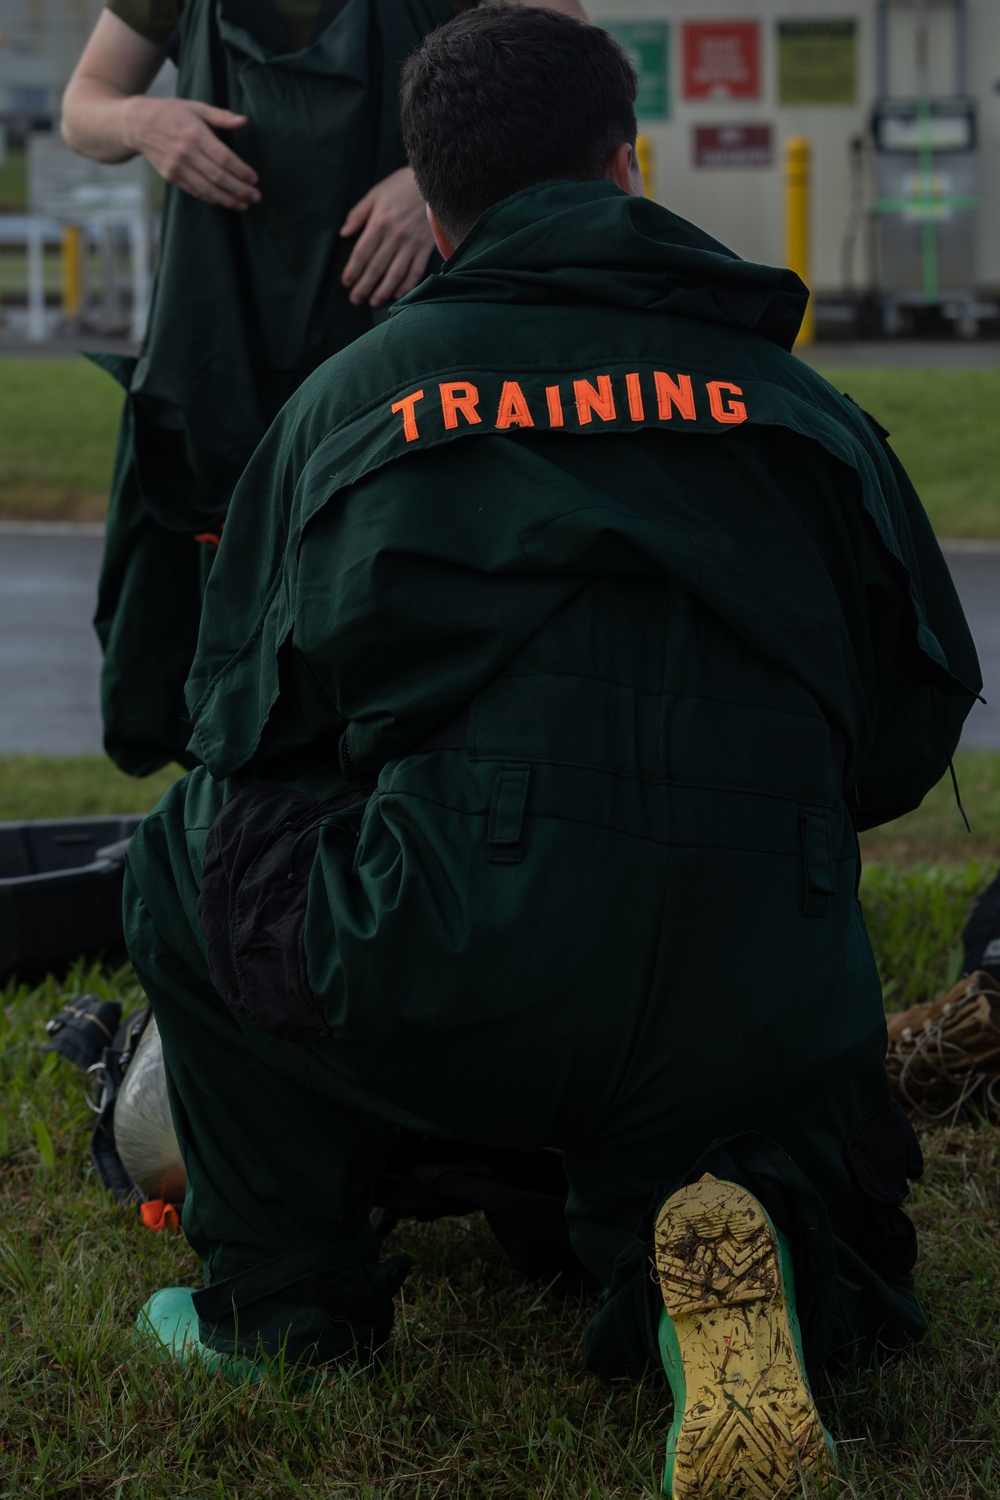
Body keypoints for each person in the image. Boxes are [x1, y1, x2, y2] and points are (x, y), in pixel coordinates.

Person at [123, 7, 981, 1496]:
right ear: (627, 159)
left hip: (472, 963)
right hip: (761, 984)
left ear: (425, 196)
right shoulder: (806, 407)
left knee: (184, 856)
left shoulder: (352, 401)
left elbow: (242, 727)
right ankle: (720, 1282)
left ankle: (280, 1309)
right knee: (722, 1109)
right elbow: (912, 723)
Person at [61, 0, 585, 775]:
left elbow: (579, 91)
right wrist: (144, 123)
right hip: (228, 349)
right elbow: (84, 105)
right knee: (243, 674)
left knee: (421, 644)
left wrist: (436, 179)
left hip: (423, 351)